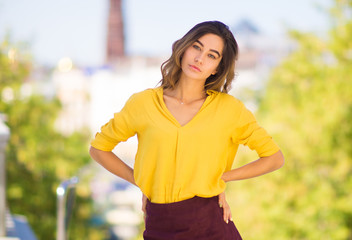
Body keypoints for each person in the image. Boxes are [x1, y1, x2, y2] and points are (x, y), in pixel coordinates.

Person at [89, 20, 284, 240]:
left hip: (210, 225)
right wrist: (143, 181)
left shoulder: (229, 110)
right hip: (159, 224)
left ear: (217, 68)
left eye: (211, 55)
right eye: (196, 47)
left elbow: (274, 158)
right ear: (184, 48)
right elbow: (99, 149)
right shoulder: (143, 104)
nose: (200, 59)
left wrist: (222, 178)